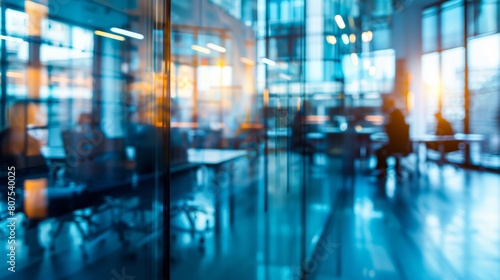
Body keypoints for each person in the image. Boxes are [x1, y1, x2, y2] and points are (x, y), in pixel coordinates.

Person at [0, 102, 46, 171]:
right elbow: (39, 170)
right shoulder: (26, 140)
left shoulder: (4, 135)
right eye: (32, 112)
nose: (35, 115)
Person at [374, 108, 411, 177]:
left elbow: (387, 136)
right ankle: (395, 168)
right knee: (383, 150)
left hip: (392, 148)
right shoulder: (406, 126)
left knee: (379, 151)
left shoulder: (390, 126)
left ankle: (382, 169)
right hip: (404, 149)